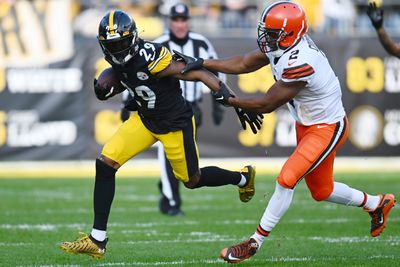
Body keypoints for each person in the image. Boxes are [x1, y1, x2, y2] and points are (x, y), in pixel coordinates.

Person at [180, 1, 396, 263]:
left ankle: (254, 242)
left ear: (290, 34)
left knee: (286, 179)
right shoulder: (284, 44)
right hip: (305, 123)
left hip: (326, 127)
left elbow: (267, 104)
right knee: (322, 191)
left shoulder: (301, 60)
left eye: (272, 33)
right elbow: (245, 62)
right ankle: (377, 203)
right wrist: (204, 62)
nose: (266, 38)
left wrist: (231, 100)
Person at [59, 10, 263, 259]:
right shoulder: (118, 57)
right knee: (105, 164)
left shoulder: (153, 57)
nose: (118, 50)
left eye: (121, 44)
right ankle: (97, 240)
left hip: (174, 124)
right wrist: (107, 87)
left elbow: (198, 73)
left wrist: (235, 101)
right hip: (145, 121)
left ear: (132, 38)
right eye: (112, 45)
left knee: (192, 180)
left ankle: (241, 178)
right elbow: (125, 78)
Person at [120, 3, 225, 216]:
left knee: (183, 160)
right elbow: (133, 73)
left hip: (191, 109)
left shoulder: (200, 42)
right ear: (169, 21)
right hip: (161, 109)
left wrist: (218, 102)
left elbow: (216, 70)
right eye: (176, 19)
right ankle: (171, 202)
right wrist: (126, 103)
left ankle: (169, 191)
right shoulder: (158, 44)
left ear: (188, 20)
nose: (180, 24)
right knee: (165, 155)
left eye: (183, 19)